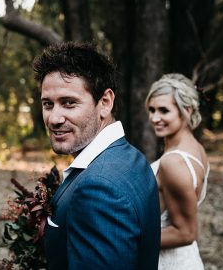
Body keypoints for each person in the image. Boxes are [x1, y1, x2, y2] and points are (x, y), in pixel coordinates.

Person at [35, 42, 160, 269]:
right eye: (48, 104)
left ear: (105, 103)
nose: (54, 118)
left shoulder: (98, 189)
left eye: (69, 103)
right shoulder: (132, 158)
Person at [146, 73, 209, 269]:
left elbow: (186, 233)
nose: (155, 118)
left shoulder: (173, 162)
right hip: (187, 259)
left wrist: (126, 238)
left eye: (164, 111)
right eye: (151, 109)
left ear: (187, 110)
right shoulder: (196, 148)